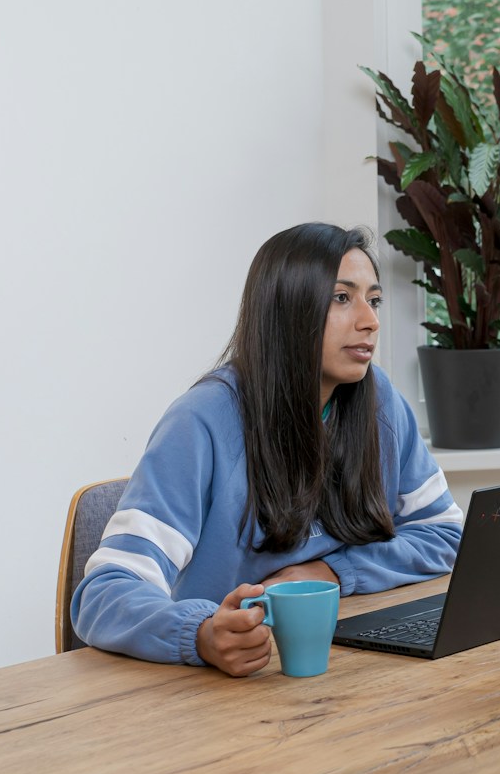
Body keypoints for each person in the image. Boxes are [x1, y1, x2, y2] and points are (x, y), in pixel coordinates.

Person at [72, 223, 462, 676]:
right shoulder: (201, 421)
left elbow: (444, 534)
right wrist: (200, 632)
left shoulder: (380, 401)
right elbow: (104, 593)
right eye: (342, 298)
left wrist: (335, 572)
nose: (370, 320)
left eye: (373, 300)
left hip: (345, 671)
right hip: (213, 696)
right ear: (286, 310)